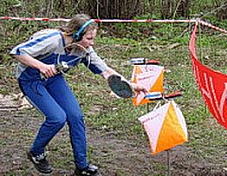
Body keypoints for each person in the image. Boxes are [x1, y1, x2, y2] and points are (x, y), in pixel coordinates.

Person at [10, 14, 147, 176]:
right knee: (57, 118)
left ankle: (82, 167)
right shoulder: (53, 40)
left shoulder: (84, 50)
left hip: (53, 79)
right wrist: (41, 66)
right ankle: (36, 152)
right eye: (89, 38)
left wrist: (130, 85)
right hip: (30, 80)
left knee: (76, 116)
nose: (92, 43)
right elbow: (17, 51)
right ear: (76, 34)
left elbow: (106, 71)